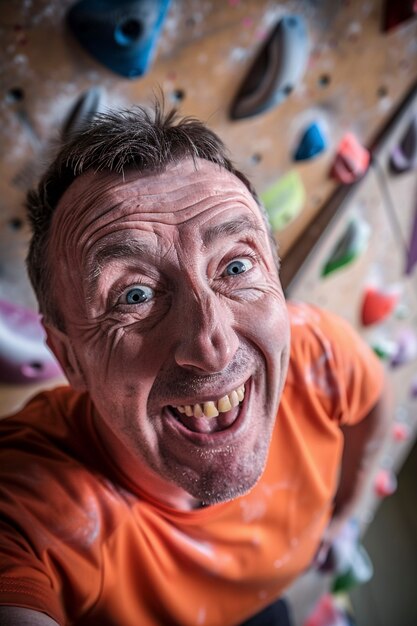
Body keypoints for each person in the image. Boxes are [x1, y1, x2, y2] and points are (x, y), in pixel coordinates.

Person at [0, 103, 391, 626]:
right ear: (69, 357)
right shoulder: (32, 502)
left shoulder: (317, 350)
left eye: (235, 265)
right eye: (134, 295)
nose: (214, 347)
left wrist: (343, 513)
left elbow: (374, 402)